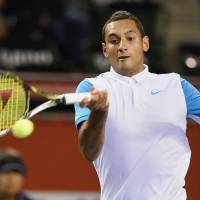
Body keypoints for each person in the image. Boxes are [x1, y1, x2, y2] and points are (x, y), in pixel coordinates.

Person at [74, 10, 200, 200]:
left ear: (145, 43)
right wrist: (99, 113)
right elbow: (89, 152)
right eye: (114, 41)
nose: (122, 46)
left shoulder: (176, 86)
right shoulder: (91, 87)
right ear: (105, 49)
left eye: (130, 38)